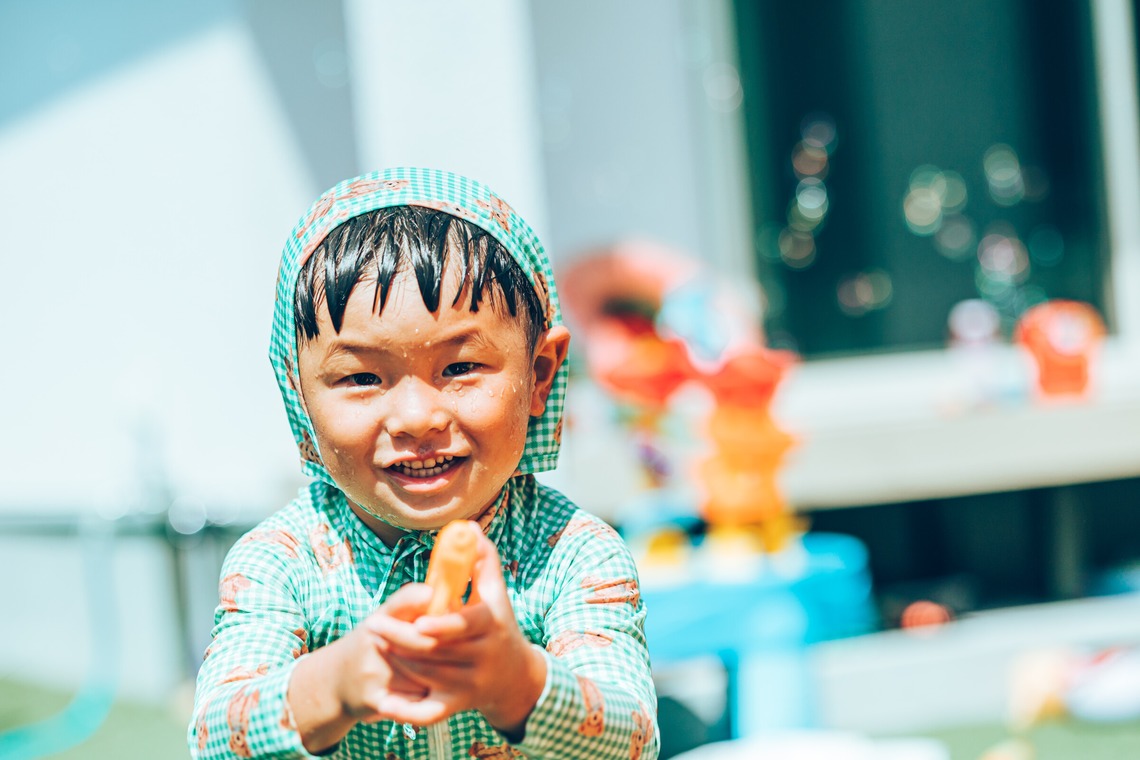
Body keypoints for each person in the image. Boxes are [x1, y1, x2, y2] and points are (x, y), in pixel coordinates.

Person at [188, 167, 659, 759]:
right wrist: (335, 685)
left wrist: (517, 685)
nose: (416, 417)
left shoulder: (573, 555)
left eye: (460, 368)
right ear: (298, 395)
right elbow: (214, 739)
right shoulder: (283, 564)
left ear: (539, 375)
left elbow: (632, 739)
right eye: (361, 377)